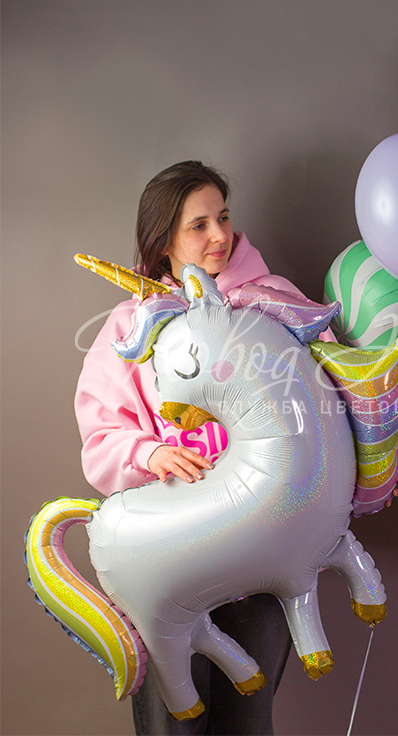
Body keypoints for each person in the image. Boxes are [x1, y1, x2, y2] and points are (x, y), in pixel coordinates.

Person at [74, 160, 319, 735]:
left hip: (260, 556)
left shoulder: (275, 304)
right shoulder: (130, 324)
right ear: (164, 242)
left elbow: (330, 408)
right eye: (199, 225)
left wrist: (377, 469)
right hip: (168, 555)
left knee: (247, 723)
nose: (219, 236)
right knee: (171, 726)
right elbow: (101, 433)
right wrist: (148, 453)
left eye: (224, 218)